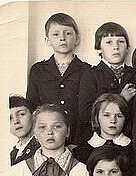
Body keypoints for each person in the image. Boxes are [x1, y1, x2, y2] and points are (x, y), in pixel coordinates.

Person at [26, 13, 90, 146]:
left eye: (68, 33)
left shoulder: (87, 70)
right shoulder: (38, 70)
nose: (62, 38)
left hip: (79, 138)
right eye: (56, 34)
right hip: (46, 139)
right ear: (47, 40)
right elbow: (32, 105)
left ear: (77, 39)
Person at [78, 22, 136, 144]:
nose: (116, 47)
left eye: (120, 42)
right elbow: (84, 113)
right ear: (98, 49)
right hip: (98, 141)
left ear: (128, 48)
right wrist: (121, 99)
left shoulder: (135, 75)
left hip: (130, 140)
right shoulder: (91, 75)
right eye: (109, 42)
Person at [73, 93, 132, 163]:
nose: (113, 121)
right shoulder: (81, 152)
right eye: (106, 115)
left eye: (119, 116)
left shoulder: (133, 149)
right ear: (96, 117)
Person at [9, 95, 39, 166]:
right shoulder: (13, 153)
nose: (16, 121)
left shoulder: (42, 148)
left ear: (34, 115)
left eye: (21, 114)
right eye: (10, 118)